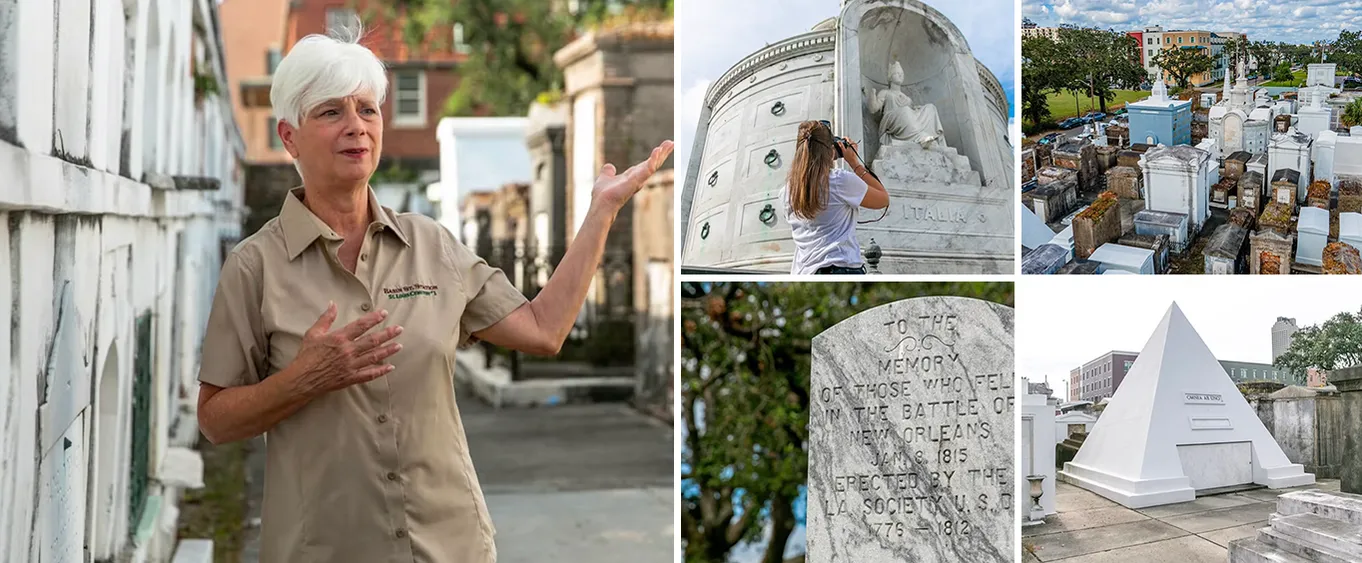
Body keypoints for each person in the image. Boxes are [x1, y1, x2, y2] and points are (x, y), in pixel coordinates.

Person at [194, 29, 672, 563]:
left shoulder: (431, 244)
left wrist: (600, 213)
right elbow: (215, 419)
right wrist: (302, 379)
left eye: (368, 110)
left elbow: (544, 329)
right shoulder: (254, 266)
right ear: (289, 136)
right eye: (331, 112)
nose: (356, 126)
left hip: (452, 547)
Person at [781, 120, 889, 275]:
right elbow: (883, 199)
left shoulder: (786, 192)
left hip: (804, 272)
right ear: (830, 151)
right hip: (840, 267)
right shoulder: (840, 181)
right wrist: (854, 162)